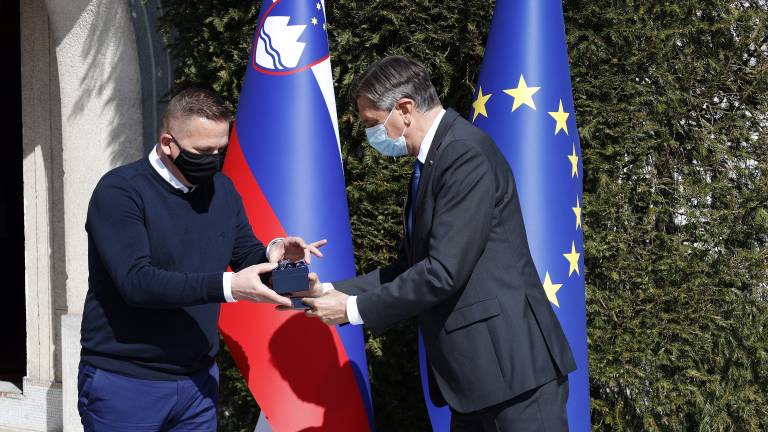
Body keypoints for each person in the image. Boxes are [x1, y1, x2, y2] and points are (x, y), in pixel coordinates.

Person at [303, 56, 576, 431]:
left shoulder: (464, 154)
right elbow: (408, 269)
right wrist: (326, 291)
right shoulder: (433, 161)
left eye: (371, 123)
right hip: (476, 379)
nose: (371, 136)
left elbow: (442, 272)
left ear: (405, 109)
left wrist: (352, 309)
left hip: (515, 375)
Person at [78, 88, 324, 431]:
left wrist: (284, 265)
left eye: (221, 149)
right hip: (127, 382)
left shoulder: (222, 189)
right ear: (168, 143)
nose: (214, 160)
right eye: (203, 152)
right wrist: (229, 287)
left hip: (198, 383)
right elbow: (137, 282)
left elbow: (247, 258)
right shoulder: (120, 192)